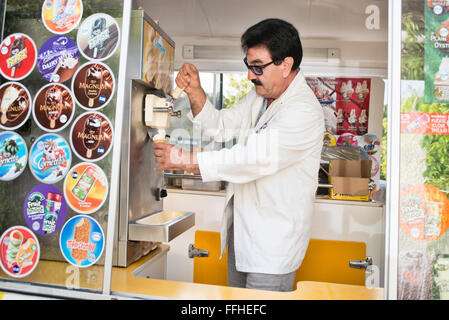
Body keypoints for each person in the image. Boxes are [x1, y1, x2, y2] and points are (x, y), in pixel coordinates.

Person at [154, 18, 325, 292]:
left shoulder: (303, 110)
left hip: (272, 249)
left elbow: (253, 157)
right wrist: (196, 91)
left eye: (257, 67)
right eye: (248, 65)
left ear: (286, 65)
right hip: (243, 237)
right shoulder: (260, 97)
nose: (249, 75)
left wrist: (186, 160)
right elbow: (220, 127)